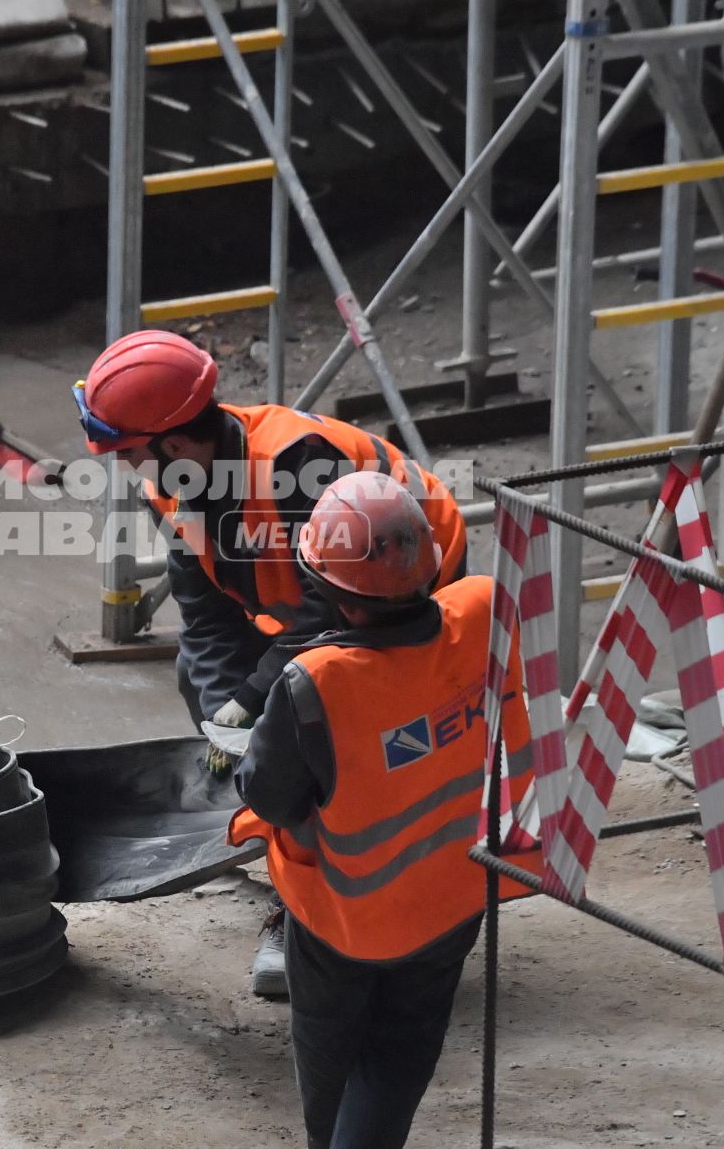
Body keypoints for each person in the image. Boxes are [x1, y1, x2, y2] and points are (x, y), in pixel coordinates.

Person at [74, 329, 466, 998]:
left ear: (172, 445)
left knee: (326, 725)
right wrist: (229, 716)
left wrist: (260, 702)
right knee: (219, 697)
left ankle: (320, 913)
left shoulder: (298, 466)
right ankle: (291, 850)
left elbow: (342, 606)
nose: (124, 468)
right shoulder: (175, 485)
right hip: (318, 607)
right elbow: (205, 616)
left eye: (129, 452)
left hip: (403, 588)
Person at [225, 471, 535, 1149]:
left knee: (330, 1060)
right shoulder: (483, 608)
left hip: (344, 920)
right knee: (399, 1059)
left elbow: (271, 795)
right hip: (456, 895)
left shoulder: (317, 683)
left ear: (331, 592)